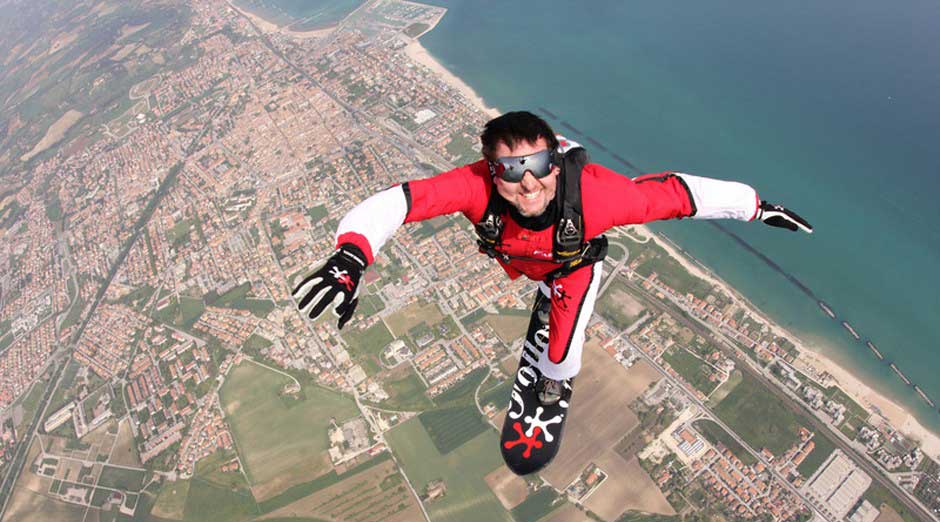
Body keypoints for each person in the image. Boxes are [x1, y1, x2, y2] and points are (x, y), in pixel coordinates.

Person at [293, 111, 812, 405]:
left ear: (556, 161)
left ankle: (556, 376)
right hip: (528, 262)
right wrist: (352, 256)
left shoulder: (598, 197)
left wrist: (756, 207)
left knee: (561, 353)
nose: (529, 182)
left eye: (539, 164)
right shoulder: (475, 187)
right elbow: (397, 202)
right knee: (551, 319)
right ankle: (552, 345)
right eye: (511, 170)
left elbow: (676, 194)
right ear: (491, 172)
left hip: (571, 267)